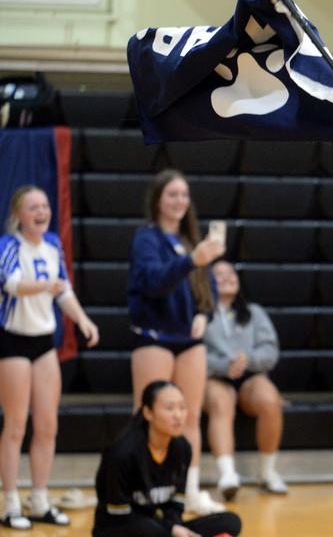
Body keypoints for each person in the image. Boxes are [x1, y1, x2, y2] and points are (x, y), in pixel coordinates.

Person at [0, 185, 99, 530]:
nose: (41, 211)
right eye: (33, 207)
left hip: (43, 341)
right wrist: (47, 287)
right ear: (18, 215)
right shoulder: (9, 246)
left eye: (44, 205)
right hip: (11, 340)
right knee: (15, 425)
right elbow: (11, 284)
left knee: (47, 424)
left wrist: (83, 319)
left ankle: (39, 498)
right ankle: (10, 502)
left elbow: (64, 290)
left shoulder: (54, 244)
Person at [127, 170, 226, 514]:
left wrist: (205, 315)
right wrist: (190, 261)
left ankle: (190, 491)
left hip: (188, 339)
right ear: (157, 200)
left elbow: (209, 289)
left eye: (184, 194)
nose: (179, 201)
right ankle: (141, 488)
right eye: (172, 194)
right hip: (154, 337)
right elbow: (154, 282)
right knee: (146, 416)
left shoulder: (189, 241)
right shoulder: (146, 239)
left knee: (189, 418)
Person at [93, 380, 242, 537]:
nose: (178, 415)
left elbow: (176, 505)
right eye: (169, 408)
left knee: (230, 521)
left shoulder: (182, 448)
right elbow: (118, 514)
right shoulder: (122, 453)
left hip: (159, 527)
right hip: (119, 529)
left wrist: (174, 526)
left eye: (182, 408)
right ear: (148, 413)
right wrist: (169, 530)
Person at [203, 260, 287, 500]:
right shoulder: (200, 313)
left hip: (251, 376)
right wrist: (223, 366)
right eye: (219, 274)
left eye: (231, 273)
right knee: (221, 400)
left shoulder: (254, 312)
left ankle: (267, 472)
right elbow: (193, 353)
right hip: (214, 376)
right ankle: (228, 474)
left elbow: (270, 352)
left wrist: (247, 360)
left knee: (270, 399)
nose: (227, 277)